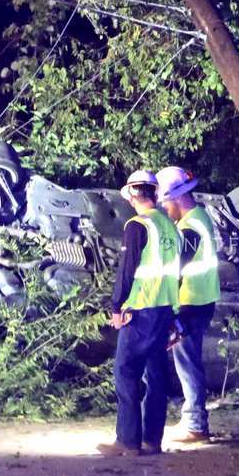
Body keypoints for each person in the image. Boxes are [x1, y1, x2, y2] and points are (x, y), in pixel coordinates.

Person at [97, 170, 181, 457]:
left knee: (126, 371)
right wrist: (174, 315)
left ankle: (128, 440)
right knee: (157, 375)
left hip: (141, 308)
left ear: (133, 195)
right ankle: (152, 440)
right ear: (155, 194)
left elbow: (127, 269)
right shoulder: (169, 226)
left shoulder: (137, 225)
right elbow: (177, 273)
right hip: (164, 309)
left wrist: (117, 307)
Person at [156, 166, 220, 443]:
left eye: (166, 203)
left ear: (176, 198)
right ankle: (192, 420)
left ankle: (195, 425)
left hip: (191, 304)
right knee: (188, 361)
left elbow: (178, 268)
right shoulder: (199, 218)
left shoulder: (190, 227)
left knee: (187, 363)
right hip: (201, 301)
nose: (165, 209)